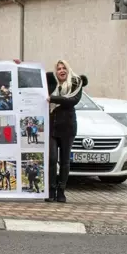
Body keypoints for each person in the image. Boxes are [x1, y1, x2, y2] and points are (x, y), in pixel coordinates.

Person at [46, 59, 88, 203]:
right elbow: (31, 77)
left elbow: (73, 100)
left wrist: (53, 98)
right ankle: (51, 190)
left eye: (64, 68)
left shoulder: (76, 84)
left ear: (68, 70)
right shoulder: (49, 82)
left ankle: (61, 190)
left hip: (68, 127)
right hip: (51, 126)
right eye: (59, 69)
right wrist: (18, 64)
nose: (62, 71)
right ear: (55, 71)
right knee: (52, 159)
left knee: (64, 161)